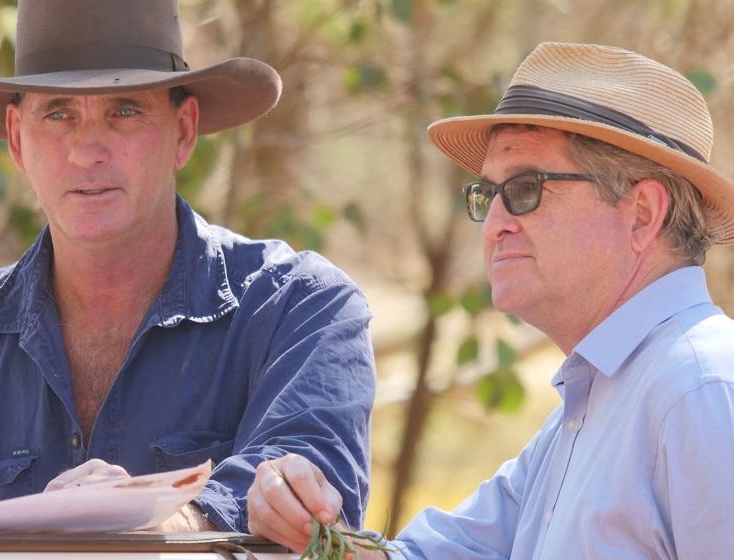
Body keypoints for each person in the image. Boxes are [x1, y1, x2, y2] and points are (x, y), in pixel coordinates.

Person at [0, 0, 376, 537]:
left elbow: (311, 497)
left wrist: (157, 522)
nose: (87, 150)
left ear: (184, 129)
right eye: (58, 112)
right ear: (16, 138)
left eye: (124, 110)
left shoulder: (297, 311)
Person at [249, 42, 734, 557]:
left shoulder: (700, 388)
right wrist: (309, 530)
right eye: (487, 195)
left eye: (526, 188)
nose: (495, 225)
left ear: (641, 213)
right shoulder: (596, 403)